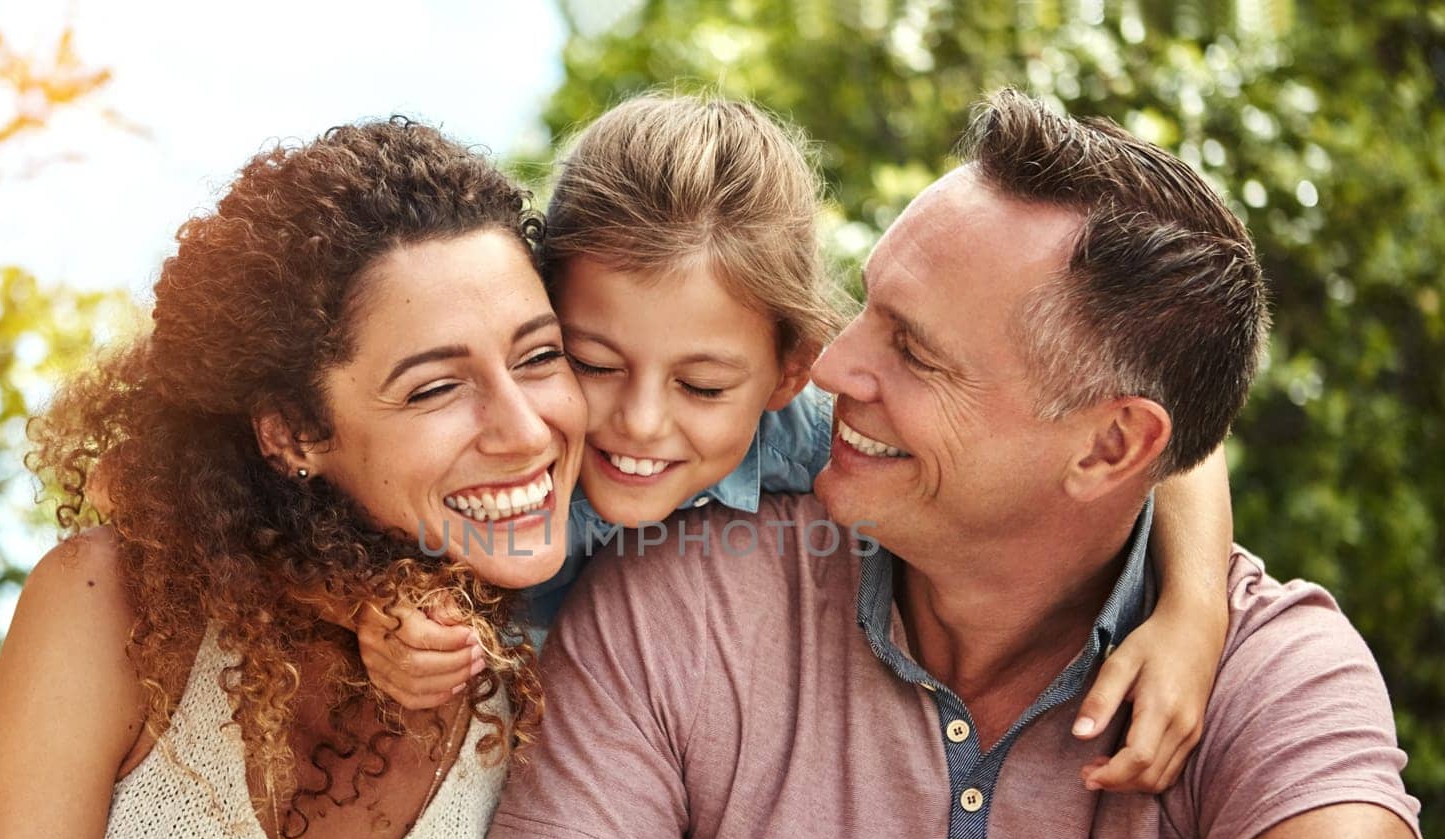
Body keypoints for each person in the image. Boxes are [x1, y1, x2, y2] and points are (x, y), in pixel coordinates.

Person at [391, 90, 1432, 839]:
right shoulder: (682, 595)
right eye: (868, 311)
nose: (838, 365)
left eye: (912, 351)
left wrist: (1195, 606)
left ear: (1110, 447)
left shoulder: (1266, 669)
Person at [364, 91, 1236, 794]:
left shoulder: (806, 436)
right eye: (590, 362)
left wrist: (1195, 612)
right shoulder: (500, 451)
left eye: (702, 387)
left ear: (790, 370)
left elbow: (1173, 433)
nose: (637, 422)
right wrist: (373, 610)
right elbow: (318, 518)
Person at [0, 119, 587, 839]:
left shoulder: (569, 657)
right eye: (435, 388)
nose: (527, 430)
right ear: (292, 432)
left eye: (539, 356)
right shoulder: (114, 609)